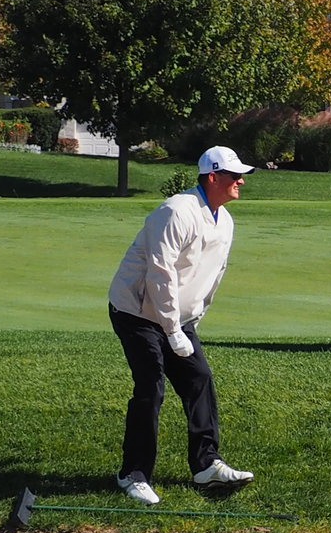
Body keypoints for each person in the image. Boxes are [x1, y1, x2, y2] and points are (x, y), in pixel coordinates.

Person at [107, 145, 256, 504]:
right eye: (234, 175)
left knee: (198, 379)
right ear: (212, 177)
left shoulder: (225, 220)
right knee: (151, 387)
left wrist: (189, 322)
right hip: (137, 311)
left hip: (178, 317)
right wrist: (172, 332)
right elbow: (160, 274)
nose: (240, 181)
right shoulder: (176, 211)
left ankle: (206, 465)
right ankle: (133, 474)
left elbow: (210, 276)